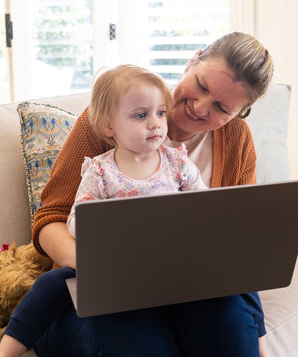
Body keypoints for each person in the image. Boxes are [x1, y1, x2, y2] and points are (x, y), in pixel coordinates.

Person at [3, 31, 273, 357]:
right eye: (201, 86)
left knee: (228, 325)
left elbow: (237, 238)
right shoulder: (109, 119)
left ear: (239, 114)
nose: (200, 107)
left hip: (187, 290)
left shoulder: (236, 140)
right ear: (193, 60)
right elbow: (51, 219)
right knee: (141, 340)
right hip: (103, 291)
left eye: (221, 107)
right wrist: (99, 266)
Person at [0, 64, 209, 357]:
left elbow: (206, 209)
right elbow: (77, 217)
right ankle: (9, 346)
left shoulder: (178, 164)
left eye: (161, 113)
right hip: (111, 265)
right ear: (109, 126)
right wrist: (97, 233)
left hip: (165, 267)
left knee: (236, 291)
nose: (155, 124)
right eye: (141, 115)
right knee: (51, 283)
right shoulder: (99, 170)